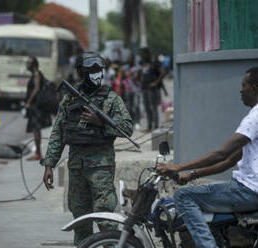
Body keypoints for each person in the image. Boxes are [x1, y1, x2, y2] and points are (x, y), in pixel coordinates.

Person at [157, 67, 258, 248]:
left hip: (248, 191)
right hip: (248, 189)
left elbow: (222, 154)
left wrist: (178, 167)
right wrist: (191, 175)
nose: (240, 90)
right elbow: (229, 161)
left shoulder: (254, 118)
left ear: (254, 88)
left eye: (244, 85)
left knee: (183, 196)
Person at [42, 51, 133, 246]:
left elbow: (127, 128)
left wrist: (100, 122)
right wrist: (49, 164)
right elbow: (58, 132)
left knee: (106, 219)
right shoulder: (69, 99)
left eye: (99, 70)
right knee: (80, 219)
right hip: (76, 167)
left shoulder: (111, 98)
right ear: (82, 72)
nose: (97, 74)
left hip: (101, 167)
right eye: (92, 70)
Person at [25, 55, 52, 161]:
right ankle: (38, 153)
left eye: (29, 63)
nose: (27, 65)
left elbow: (36, 89)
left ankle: (38, 153)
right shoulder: (35, 74)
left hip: (37, 106)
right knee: (36, 129)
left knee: (36, 129)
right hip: (36, 106)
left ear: (33, 64)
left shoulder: (36, 74)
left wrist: (29, 102)